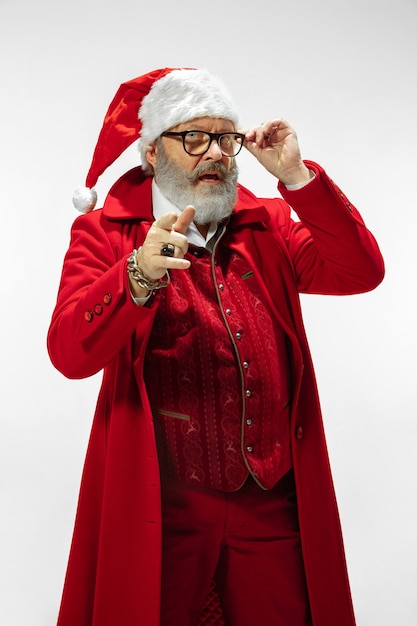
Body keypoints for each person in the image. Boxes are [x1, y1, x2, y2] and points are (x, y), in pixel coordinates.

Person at [47, 67, 384, 626]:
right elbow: (68, 353)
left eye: (226, 139)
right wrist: (135, 275)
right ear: (153, 152)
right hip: (164, 509)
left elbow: (361, 271)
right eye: (195, 137)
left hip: (271, 502)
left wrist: (298, 179)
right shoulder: (108, 232)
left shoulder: (267, 221)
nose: (217, 155)